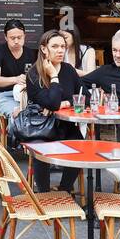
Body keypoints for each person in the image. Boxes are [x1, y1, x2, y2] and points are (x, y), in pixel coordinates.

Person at [24, 30, 84, 194]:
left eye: (63, 46)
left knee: (80, 147)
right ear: (44, 49)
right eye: (55, 46)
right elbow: (51, 102)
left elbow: (84, 95)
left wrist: (65, 103)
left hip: (65, 125)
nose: (60, 50)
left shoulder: (69, 70)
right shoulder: (34, 74)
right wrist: (54, 76)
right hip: (41, 127)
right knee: (41, 151)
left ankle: (65, 189)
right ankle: (44, 194)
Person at [0, 19, 32, 119]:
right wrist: (16, 79)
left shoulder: (29, 53)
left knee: (38, 109)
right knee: (17, 113)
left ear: (25, 35)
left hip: (23, 95)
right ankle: (14, 134)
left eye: (19, 37)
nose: (16, 41)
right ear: (6, 37)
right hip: (0, 96)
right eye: (12, 38)